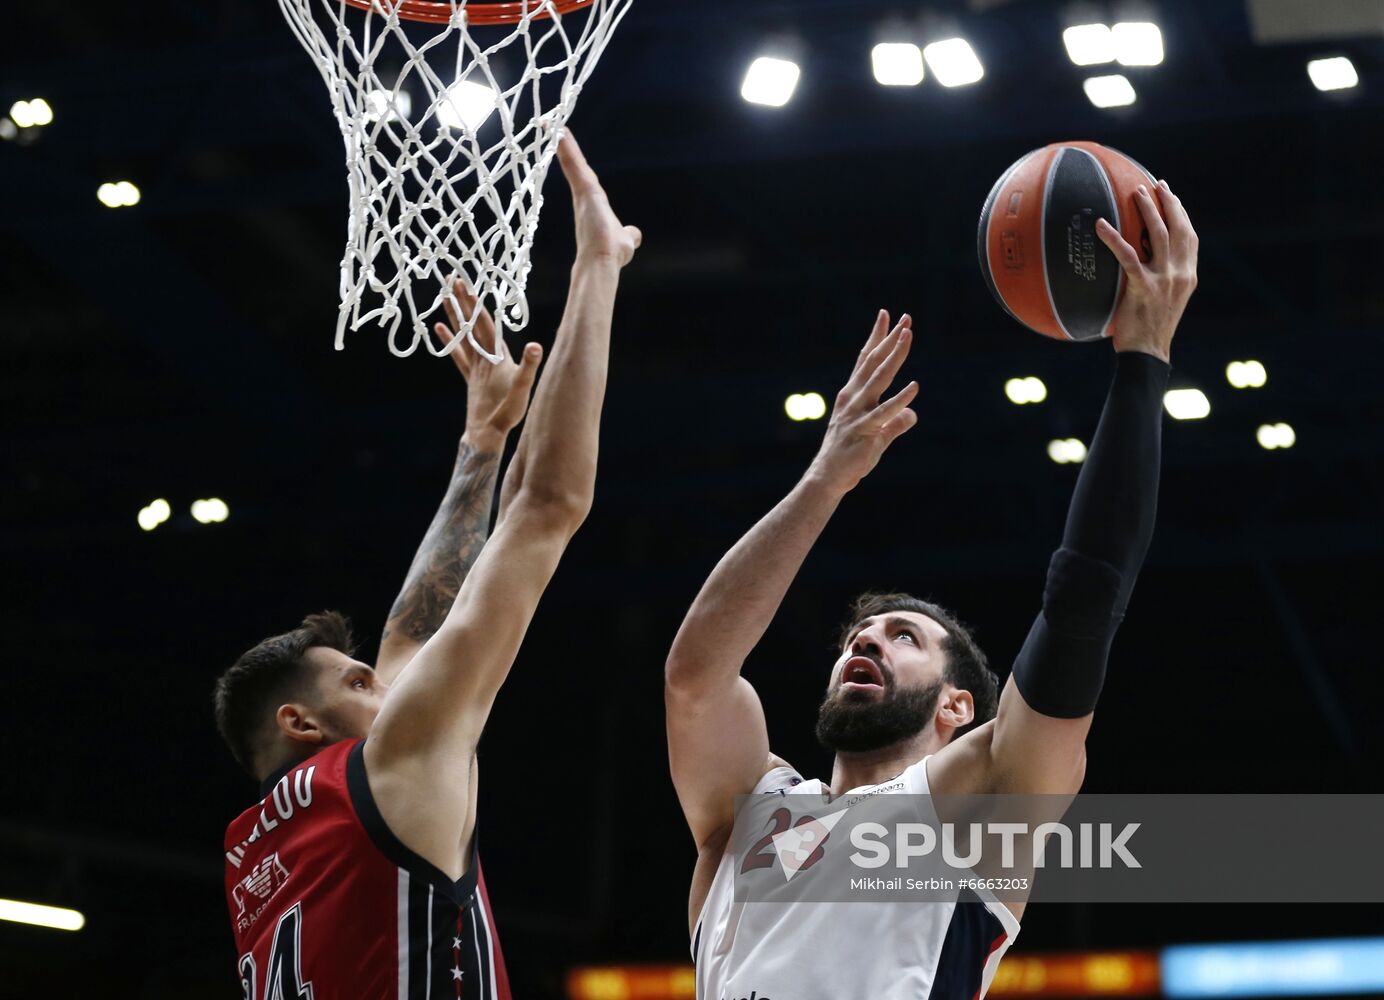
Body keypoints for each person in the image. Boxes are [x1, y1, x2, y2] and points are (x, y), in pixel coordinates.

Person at [665, 182, 1198, 999]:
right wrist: (824, 479)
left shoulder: (976, 805)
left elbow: (1085, 597)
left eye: (903, 636)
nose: (866, 640)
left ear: (958, 708)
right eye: (859, 636)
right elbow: (697, 675)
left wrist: (1144, 361)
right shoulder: (744, 814)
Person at [212, 134, 641, 1000]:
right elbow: (551, 507)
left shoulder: (255, 849)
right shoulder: (391, 763)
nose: (388, 675)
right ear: (302, 721)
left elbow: (417, 628)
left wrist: (482, 442)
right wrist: (596, 270)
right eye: (363, 678)